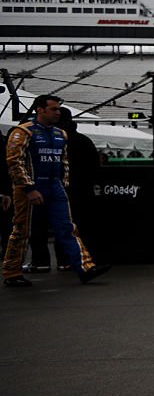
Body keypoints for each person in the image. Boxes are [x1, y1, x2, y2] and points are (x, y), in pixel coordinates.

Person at [3, 94, 111, 287]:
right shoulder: (22, 132)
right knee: (22, 230)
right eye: (54, 109)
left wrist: (64, 184)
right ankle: (12, 271)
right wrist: (29, 188)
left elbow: (64, 162)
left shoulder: (60, 134)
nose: (58, 112)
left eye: (59, 109)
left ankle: (85, 268)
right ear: (40, 110)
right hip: (30, 187)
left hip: (55, 186)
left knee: (68, 228)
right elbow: (14, 162)